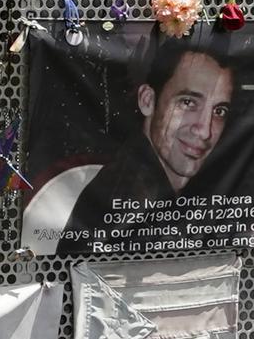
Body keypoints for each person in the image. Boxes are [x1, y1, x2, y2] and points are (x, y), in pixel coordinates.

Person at [62, 37, 235, 246]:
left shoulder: (175, 187)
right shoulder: (126, 190)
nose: (204, 131)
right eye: (188, 102)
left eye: (219, 111)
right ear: (148, 101)